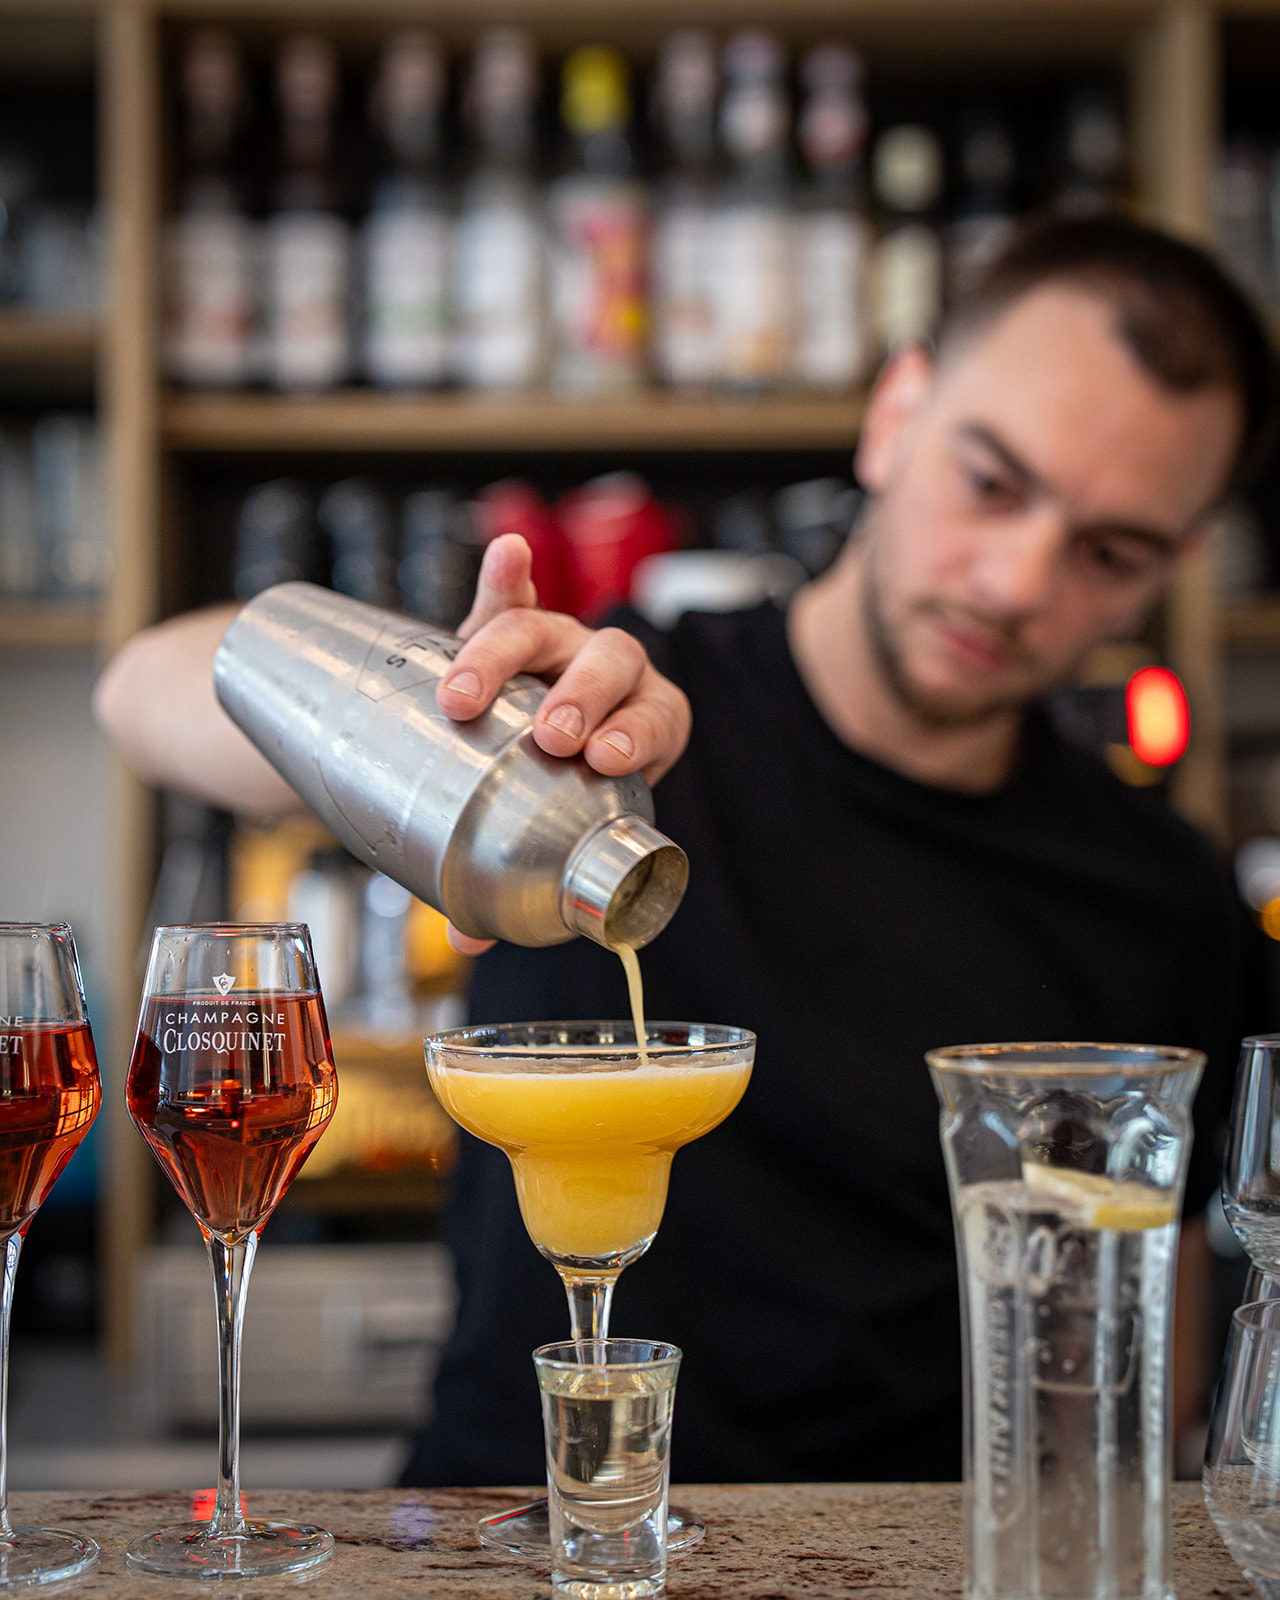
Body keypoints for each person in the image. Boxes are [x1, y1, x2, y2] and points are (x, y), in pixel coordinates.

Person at [95, 216, 1273, 1484]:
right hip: (510, 1533)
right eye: (991, 481)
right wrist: (440, 727)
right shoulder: (604, 720)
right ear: (896, 412)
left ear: (1174, 566)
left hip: (900, 1566)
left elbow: (1162, 1374)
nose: (1015, 580)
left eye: (1109, 552)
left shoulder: (1155, 893)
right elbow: (145, 691)